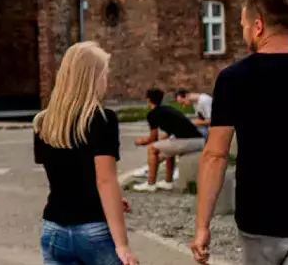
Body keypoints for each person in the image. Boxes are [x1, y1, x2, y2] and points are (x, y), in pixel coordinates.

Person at [194, 0, 288, 265]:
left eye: (244, 25)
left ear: (258, 26)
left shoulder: (234, 79)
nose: (244, 33)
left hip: (258, 221)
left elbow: (215, 156)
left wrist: (202, 227)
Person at [33, 42, 139, 265]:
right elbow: (105, 180)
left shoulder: (43, 122)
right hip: (93, 230)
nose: (107, 81)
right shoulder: (102, 119)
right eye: (104, 75)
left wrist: (112, 201)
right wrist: (122, 245)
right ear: (92, 78)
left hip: (54, 229)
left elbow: (65, 177)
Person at [131, 88, 205, 192]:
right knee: (168, 149)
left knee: (152, 148)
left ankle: (150, 184)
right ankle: (168, 182)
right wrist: (158, 140)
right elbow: (169, 134)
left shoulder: (152, 114)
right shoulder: (168, 109)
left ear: (148, 100)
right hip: (199, 141)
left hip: (189, 141)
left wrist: (141, 142)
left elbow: (153, 138)